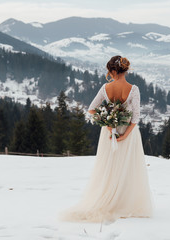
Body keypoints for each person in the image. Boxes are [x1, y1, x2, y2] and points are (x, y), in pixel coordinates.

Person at [58, 56, 154, 223]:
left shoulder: (105, 88)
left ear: (114, 71)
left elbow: (91, 110)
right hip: (129, 134)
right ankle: (124, 201)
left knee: (108, 166)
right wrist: (125, 134)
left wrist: (109, 124)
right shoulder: (134, 89)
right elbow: (136, 117)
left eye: (109, 71)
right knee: (127, 167)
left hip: (109, 133)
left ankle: (108, 198)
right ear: (125, 70)